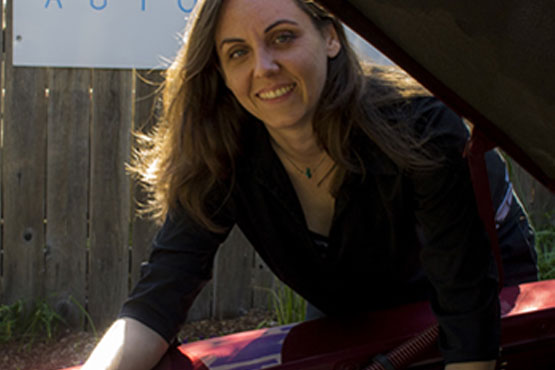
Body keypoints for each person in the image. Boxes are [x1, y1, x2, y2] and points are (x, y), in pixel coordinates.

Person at [83, 0, 534, 368]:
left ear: (331, 37)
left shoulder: (420, 128)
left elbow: (464, 308)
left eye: (283, 37)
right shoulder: (223, 155)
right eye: (237, 52)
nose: (264, 66)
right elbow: (154, 302)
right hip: (350, 307)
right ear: (220, 70)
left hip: (484, 289)